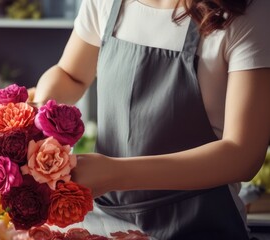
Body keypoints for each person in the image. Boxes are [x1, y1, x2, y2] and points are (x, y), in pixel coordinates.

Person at [31, 0, 270, 239]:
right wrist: (42, 109)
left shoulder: (247, 14)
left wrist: (115, 174)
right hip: (108, 221)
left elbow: (243, 156)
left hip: (200, 225)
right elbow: (71, 75)